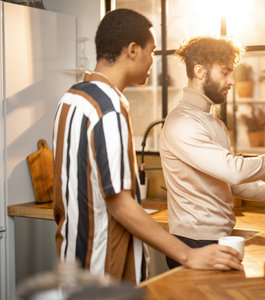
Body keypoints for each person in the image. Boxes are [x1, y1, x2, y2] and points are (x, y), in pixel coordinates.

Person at [52, 10, 242, 284]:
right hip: (105, 268)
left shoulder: (71, 100)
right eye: (151, 52)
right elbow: (120, 205)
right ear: (132, 50)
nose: (153, 61)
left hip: (71, 261)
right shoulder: (110, 110)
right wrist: (188, 255)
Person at [159, 36, 265, 268]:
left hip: (215, 238)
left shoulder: (211, 122)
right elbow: (234, 171)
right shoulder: (182, 123)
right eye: (225, 72)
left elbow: (231, 183)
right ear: (200, 71)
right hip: (193, 242)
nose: (231, 81)